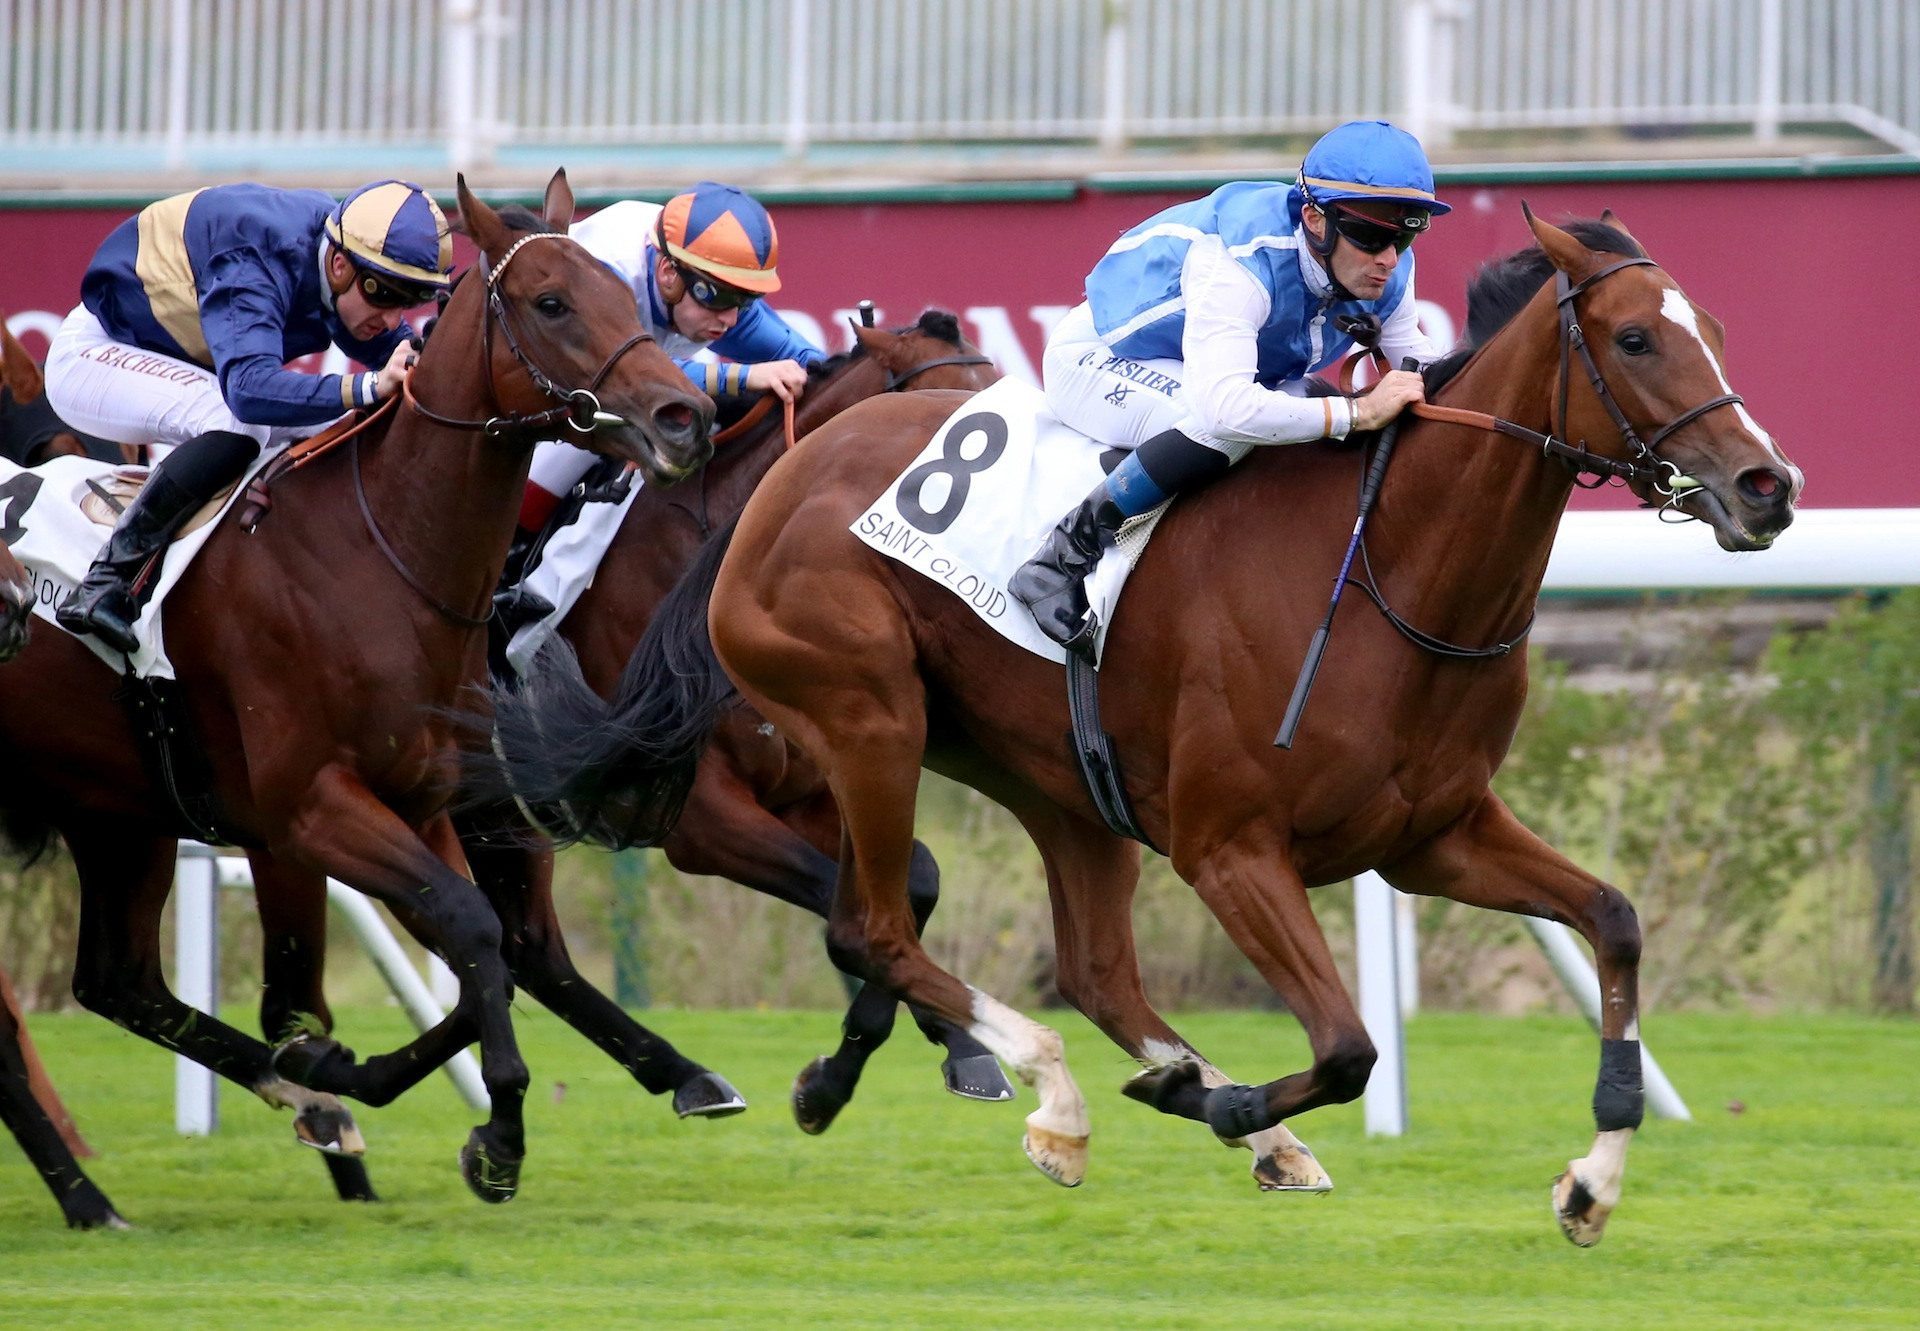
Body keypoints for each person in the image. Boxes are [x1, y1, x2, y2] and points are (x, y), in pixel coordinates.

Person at [1009, 119, 1450, 658]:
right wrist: (1356, 414)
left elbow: (1419, 370)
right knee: (1231, 428)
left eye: (1405, 235)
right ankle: (1059, 559)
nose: (1389, 257)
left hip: (1207, 368)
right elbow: (1227, 410)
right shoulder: (1238, 263)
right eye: (1371, 236)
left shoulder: (1388, 270)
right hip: (1101, 360)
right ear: (1315, 219)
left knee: (1308, 407)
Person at [44, 179, 452, 653]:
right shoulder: (257, 255)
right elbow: (248, 390)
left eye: (409, 300)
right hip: (99, 351)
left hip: (181, 358)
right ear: (339, 265)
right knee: (240, 424)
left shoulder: (341, 254)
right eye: (385, 295)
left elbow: (383, 346)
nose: (391, 316)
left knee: (335, 428)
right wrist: (364, 385)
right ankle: (105, 582)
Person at [513, 181, 826, 538]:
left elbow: (808, 360)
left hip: (621, 370)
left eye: (745, 299)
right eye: (722, 297)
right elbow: (630, 380)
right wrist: (745, 377)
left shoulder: (697, 276)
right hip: (552, 387)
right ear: (668, 274)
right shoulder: (606, 272)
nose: (731, 319)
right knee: (566, 458)